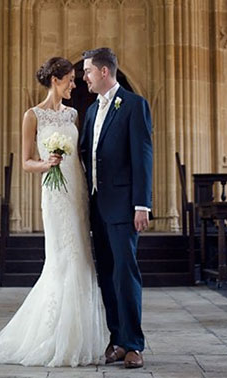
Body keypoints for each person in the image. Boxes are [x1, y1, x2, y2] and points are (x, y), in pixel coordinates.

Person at [0, 57, 107, 366]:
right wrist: (46, 163)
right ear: (55, 80)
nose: (74, 85)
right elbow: (25, 161)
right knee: (63, 260)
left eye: (75, 79)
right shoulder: (32, 116)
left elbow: (79, 158)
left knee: (82, 259)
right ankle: (54, 338)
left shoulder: (74, 114)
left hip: (77, 193)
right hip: (54, 193)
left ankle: (78, 338)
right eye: (70, 80)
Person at [80, 47, 153, 370]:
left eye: (88, 72)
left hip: (124, 207)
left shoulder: (134, 105)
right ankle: (118, 340)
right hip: (97, 205)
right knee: (107, 276)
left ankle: (135, 344)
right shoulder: (92, 110)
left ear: (104, 72)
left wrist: (142, 204)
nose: (84, 77)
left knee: (126, 274)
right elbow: (87, 154)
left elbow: (143, 157)